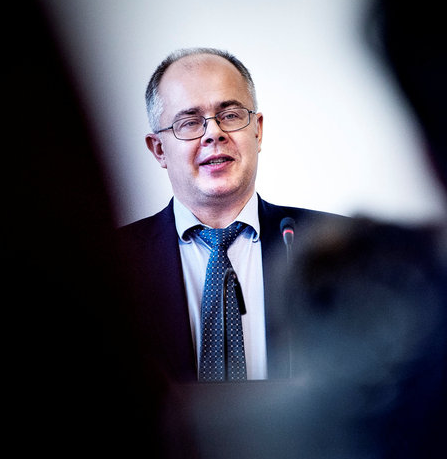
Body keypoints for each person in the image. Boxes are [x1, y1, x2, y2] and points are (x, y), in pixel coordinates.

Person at [118, 47, 347, 383]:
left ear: (258, 130)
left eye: (230, 115)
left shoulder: (335, 247)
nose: (214, 133)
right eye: (190, 122)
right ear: (159, 149)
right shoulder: (113, 262)